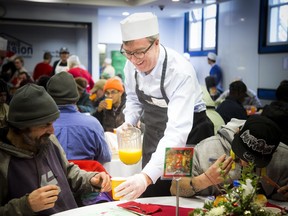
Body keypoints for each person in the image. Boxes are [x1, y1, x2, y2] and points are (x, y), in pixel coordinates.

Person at [114, 12, 214, 199]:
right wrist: (130, 120)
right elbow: (134, 99)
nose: (135, 60)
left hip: (188, 131)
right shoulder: (131, 65)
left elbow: (177, 133)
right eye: (128, 53)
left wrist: (145, 177)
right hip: (154, 130)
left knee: (178, 192)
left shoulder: (180, 72)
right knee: (150, 194)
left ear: (157, 42)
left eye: (140, 52)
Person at [0, 83, 111, 215]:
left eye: (52, 123)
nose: (52, 131)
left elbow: (67, 172)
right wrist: (26, 205)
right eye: (45, 125)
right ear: (22, 126)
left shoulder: (47, 141)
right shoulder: (3, 160)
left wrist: (91, 179)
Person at [170, 115, 288, 201]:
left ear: (274, 152)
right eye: (240, 154)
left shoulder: (284, 156)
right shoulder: (204, 147)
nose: (245, 164)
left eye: (256, 161)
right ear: (237, 133)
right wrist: (205, 180)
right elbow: (174, 188)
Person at [46, 72, 111, 164]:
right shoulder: (93, 125)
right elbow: (105, 158)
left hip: (52, 177)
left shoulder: (40, 127)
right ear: (77, 97)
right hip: (88, 177)